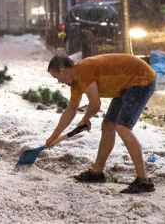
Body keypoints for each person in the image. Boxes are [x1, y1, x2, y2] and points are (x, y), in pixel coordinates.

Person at [46, 54, 156, 194]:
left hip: (141, 79)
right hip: (125, 85)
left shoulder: (83, 70)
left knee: (122, 127)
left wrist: (85, 118)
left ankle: (143, 181)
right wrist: (54, 136)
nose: (59, 82)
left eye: (56, 78)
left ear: (63, 71)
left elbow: (95, 103)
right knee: (108, 125)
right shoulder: (75, 82)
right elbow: (71, 109)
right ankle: (97, 172)